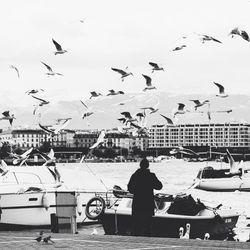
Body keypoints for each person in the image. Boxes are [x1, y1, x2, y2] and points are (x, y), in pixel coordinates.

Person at [128, 157, 163, 236]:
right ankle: (147, 240)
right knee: (147, 225)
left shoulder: (135, 176)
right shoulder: (151, 176)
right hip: (148, 203)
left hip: (137, 203)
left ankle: (136, 240)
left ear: (140, 165)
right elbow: (159, 186)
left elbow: (130, 189)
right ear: (148, 166)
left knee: (136, 225)